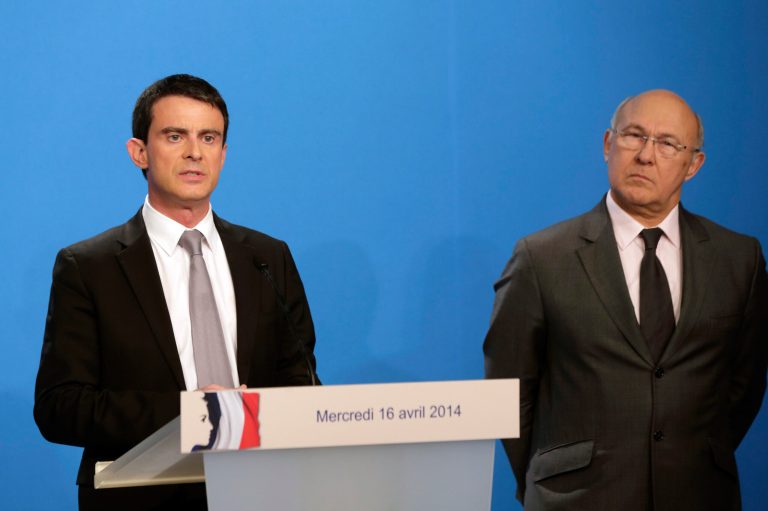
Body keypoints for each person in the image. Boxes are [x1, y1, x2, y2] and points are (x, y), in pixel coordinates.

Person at [34, 74, 318, 510]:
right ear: (139, 153)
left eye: (209, 137)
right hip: (141, 496)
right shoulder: (89, 266)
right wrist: (194, 415)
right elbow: (61, 406)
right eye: (174, 136)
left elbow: (302, 384)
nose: (194, 152)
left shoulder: (267, 257)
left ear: (224, 154)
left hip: (259, 491)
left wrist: (258, 414)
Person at [484, 89, 767, 511]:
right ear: (607, 144)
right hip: (576, 499)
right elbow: (508, 389)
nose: (646, 155)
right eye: (634, 136)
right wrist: (549, 474)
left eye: (668, 143)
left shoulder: (738, 259)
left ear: (693, 165)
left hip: (698, 494)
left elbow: (744, 385)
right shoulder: (542, 257)